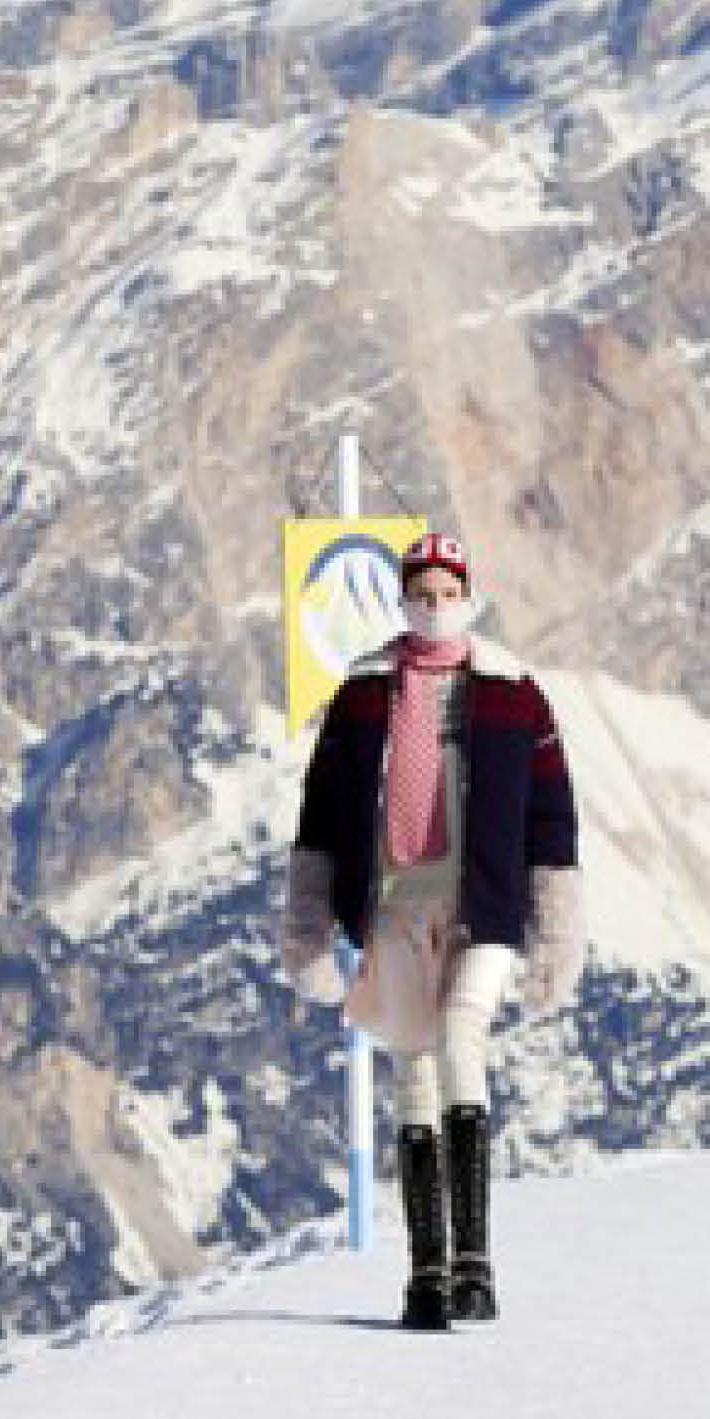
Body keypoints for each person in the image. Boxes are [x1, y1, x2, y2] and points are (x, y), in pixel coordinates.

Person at [280, 529, 584, 1329]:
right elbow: (320, 816)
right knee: (412, 1068)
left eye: (449, 594)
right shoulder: (361, 693)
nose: (436, 607)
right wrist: (309, 929)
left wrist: (556, 933)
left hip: (482, 903)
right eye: (423, 594)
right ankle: (427, 1274)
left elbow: (552, 820)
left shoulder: (514, 694)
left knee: (458, 1039)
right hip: (393, 904)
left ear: (469, 596)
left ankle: (474, 1262)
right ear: (402, 598)